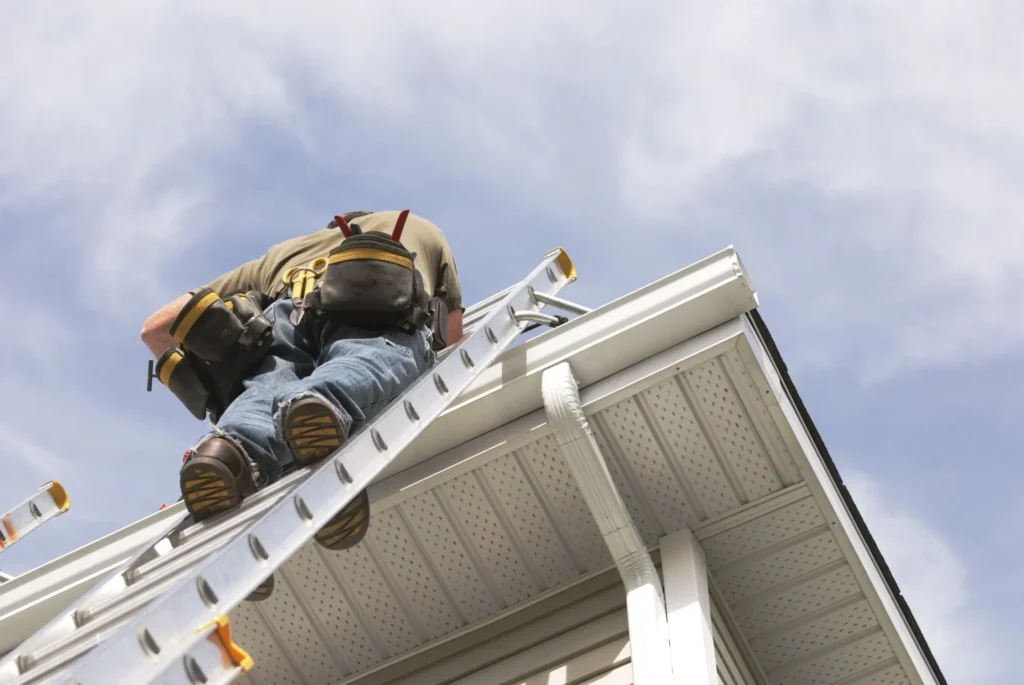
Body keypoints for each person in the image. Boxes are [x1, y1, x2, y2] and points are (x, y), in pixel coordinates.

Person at [142, 210, 464, 566]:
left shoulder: (281, 254)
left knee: (264, 390)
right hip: (377, 292)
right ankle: (322, 404)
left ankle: (226, 451)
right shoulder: (420, 228)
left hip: (285, 313)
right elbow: (452, 337)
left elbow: (156, 327)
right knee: (369, 357)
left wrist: (205, 378)